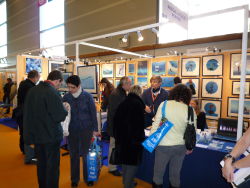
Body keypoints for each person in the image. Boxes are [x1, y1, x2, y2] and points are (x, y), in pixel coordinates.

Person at [23, 70, 68, 188]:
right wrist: (65, 109)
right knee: (52, 168)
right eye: (60, 84)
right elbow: (60, 116)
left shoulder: (33, 90)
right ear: (57, 80)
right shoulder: (52, 92)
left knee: (41, 166)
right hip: (51, 137)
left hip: (37, 136)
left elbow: (28, 114)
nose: (59, 86)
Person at [150, 84, 197, 188]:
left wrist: (152, 142)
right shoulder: (190, 110)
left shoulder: (164, 104)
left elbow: (155, 124)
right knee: (175, 175)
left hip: (163, 146)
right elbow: (193, 131)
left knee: (158, 175)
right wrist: (190, 147)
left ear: (173, 93)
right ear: (187, 96)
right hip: (181, 146)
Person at [62, 75, 100, 187]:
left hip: (86, 130)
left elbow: (93, 114)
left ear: (79, 86)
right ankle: (75, 179)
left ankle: (88, 178)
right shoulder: (66, 97)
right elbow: (64, 115)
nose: (70, 90)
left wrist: (95, 129)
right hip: (72, 130)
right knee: (73, 155)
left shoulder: (87, 97)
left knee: (86, 154)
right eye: (68, 87)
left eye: (73, 87)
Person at [113, 85, 145, 188]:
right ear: (140, 93)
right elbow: (139, 125)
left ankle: (127, 182)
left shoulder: (123, 102)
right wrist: (139, 139)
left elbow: (116, 121)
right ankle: (127, 185)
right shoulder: (138, 104)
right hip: (133, 141)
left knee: (125, 162)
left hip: (122, 139)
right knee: (132, 164)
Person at [107, 76, 132, 176]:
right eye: (129, 84)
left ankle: (115, 164)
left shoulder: (119, 93)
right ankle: (112, 168)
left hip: (117, 126)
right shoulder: (117, 94)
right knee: (113, 146)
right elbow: (117, 112)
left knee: (116, 146)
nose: (130, 86)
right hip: (116, 127)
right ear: (124, 84)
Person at [16, 70, 40, 164]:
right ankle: (29, 156)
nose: (38, 79)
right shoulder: (30, 87)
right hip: (26, 114)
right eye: (38, 77)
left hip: (21, 113)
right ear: (34, 77)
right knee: (28, 134)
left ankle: (24, 151)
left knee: (23, 133)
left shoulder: (23, 84)